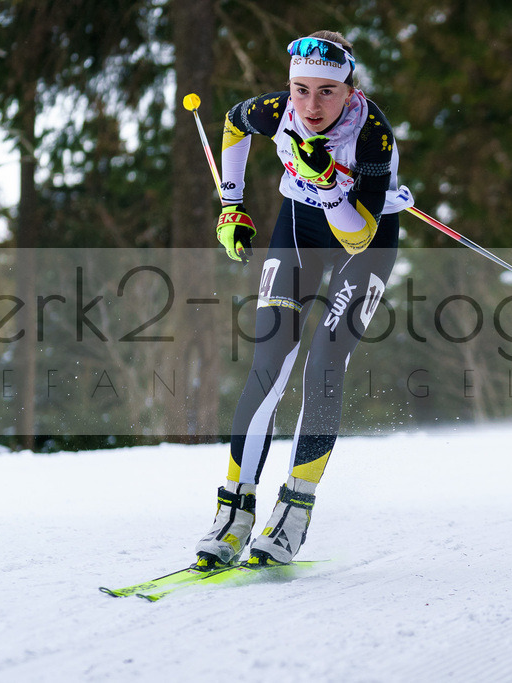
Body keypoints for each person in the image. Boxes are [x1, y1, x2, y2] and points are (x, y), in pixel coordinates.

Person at [195, 31, 413, 570]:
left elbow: (356, 235)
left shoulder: (373, 136)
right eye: (301, 89)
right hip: (297, 228)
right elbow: (231, 122)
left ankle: (295, 510)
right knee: (270, 362)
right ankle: (233, 511)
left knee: (323, 361)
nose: (311, 105)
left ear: (348, 89)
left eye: (326, 92)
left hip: (365, 236)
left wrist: (327, 181)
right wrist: (232, 203)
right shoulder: (277, 109)